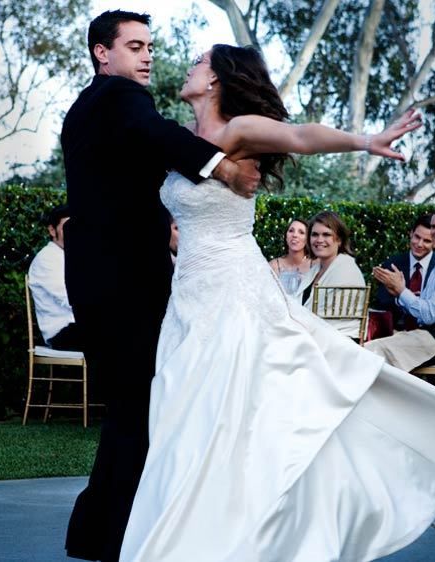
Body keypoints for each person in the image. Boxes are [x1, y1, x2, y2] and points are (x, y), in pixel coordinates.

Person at [118, 44, 435, 561]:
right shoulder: (182, 140)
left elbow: (301, 136)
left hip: (234, 293)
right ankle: (200, 529)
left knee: (243, 407)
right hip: (190, 297)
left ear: (215, 80)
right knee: (185, 413)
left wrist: (368, 140)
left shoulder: (236, 131)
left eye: (197, 61)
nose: (188, 65)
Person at [61, 11, 263, 561]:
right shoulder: (122, 99)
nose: (147, 55)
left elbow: (111, 178)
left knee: (131, 407)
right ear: (103, 53)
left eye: (150, 45)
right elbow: (159, 134)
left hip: (99, 278)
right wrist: (220, 167)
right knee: (141, 408)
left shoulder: (87, 107)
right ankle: (125, 536)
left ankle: (104, 531)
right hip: (126, 281)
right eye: (134, 45)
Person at [364, 205, 435, 372]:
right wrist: (398, 293)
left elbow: (428, 315)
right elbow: (425, 311)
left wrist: (401, 290)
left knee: (372, 353)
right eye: (434, 227)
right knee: (369, 349)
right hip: (434, 335)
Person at [297, 211, 367, 339]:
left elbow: (327, 320)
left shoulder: (346, 269)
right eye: (315, 235)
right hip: (313, 336)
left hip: (338, 342)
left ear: (339, 240)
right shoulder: (316, 269)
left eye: (326, 235)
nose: (319, 240)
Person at [27, 204, 82, 350]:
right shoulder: (46, 259)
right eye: (67, 227)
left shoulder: (73, 256)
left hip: (80, 328)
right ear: (52, 230)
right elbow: (69, 299)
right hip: (61, 333)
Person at [373, 214, 435, 331]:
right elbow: (381, 303)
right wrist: (402, 298)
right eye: (417, 237)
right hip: (395, 332)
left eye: (427, 241)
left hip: (430, 334)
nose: (419, 244)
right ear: (411, 233)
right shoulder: (392, 264)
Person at [268, 218, 312, 294]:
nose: (295, 235)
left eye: (301, 232)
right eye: (291, 231)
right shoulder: (273, 266)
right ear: (286, 236)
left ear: (307, 239)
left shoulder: (315, 265)